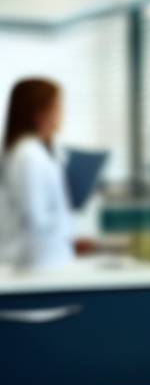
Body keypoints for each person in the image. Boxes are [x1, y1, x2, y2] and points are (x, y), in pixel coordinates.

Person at [0, 77, 79, 268]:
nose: (62, 114)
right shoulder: (29, 155)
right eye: (58, 106)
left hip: (45, 259)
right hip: (36, 262)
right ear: (39, 113)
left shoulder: (38, 152)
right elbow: (36, 218)